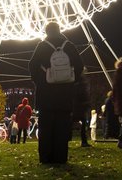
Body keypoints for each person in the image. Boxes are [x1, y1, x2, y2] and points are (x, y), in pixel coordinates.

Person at [29, 22, 83, 164]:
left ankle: (46, 157)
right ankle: (60, 157)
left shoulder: (42, 46)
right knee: (62, 128)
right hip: (64, 95)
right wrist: (71, 81)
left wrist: (41, 81)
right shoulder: (69, 46)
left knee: (45, 128)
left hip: (46, 95)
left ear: (47, 32)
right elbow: (79, 66)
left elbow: (32, 65)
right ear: (59, 30)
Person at [73, 72, 91, 147]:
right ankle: (84, 141)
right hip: (79, 105)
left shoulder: (76, 82)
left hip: (77, 105)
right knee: (83, 123)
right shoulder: (81, 84)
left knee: (82, 123)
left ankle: (84, 141)